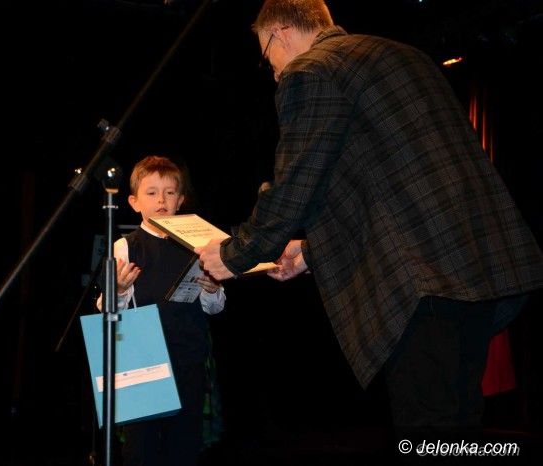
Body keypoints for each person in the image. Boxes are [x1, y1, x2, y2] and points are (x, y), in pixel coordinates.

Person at [195, 0, 543, 445]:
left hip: (421, 281)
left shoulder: (311, 71)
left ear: (280, 32)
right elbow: (393, 182)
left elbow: (297, 183)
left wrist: (235, 254)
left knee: (429, 430)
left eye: (267, 57)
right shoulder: (404, 56)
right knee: (459, 424)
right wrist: (309, 252)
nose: (275, 73)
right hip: (477, 263)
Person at [97, 155, 225, 466]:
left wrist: (212, 289)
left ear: (180, 200)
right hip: (143, 358)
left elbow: (215, 306)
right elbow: (104, 307)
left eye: (169, 193)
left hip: (187, 355)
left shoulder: (199, 244)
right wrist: (120, 289)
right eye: (152, 193)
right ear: (134, 202)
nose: (161, 201)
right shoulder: (125, 246)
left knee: (183, 445)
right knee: (140, 449)